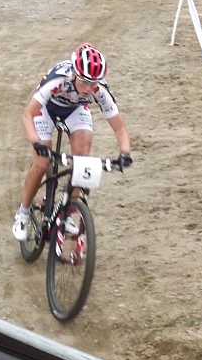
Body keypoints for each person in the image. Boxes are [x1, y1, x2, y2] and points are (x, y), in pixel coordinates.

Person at [12, 44, 132, 241]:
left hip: (75, 110)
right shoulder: (57, 81)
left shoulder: (100, 90)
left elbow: (119, 127)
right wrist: (36, 142)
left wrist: (125, 153)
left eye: (94, 83)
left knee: (82, 162)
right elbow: (27, 115)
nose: (89, 88)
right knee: (42, 163)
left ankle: (67, 213)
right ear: (75, 74)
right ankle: (23, 213)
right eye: (85, 82)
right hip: (46, 109)